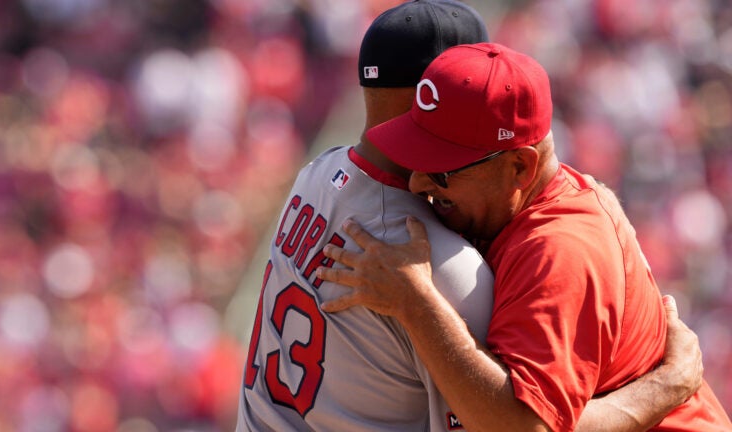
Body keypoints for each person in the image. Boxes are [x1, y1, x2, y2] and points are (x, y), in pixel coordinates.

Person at [236, 2, 703, 431]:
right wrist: (666, 387)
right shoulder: (457, 236)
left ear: (520, 165)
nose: (420, 182)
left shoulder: (321, 177)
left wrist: (418, 302)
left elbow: (523, 428)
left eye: (441, 169)